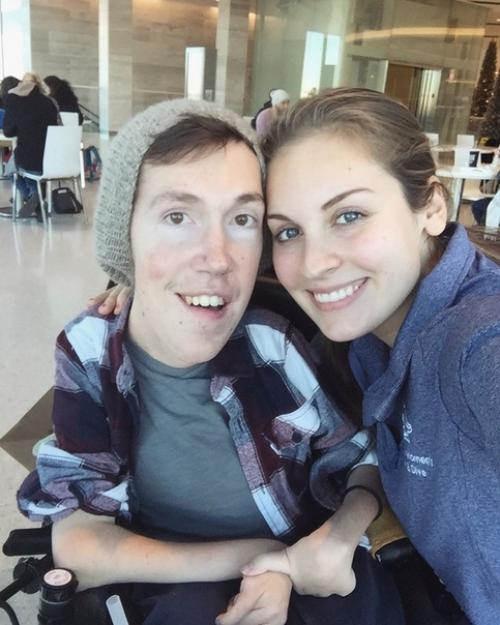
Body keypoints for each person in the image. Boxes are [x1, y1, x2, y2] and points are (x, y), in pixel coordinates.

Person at [17, 99, 404, 625]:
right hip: (179, 573)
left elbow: (361, 457)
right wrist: (266, 561)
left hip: (311, 564)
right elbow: (80, 542)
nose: (218, 258)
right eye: (178, 217)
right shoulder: (91, 353)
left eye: (242, 219)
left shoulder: (273, 347)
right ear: (125, 234)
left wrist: (331, 541)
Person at [229, 87, 498, 625]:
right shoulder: (371, 331)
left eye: (349, 215)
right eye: (288, 231)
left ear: (432, 207)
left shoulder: (474, 344)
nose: (314, 263)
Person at [2, 72, 59, 218]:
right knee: (29, 163)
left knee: (10, 169)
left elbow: (8, 132)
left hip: (30, 159)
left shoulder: (14, 100)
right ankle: (37, 199)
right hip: (54, 159)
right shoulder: (50, 102)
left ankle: (31, 196)